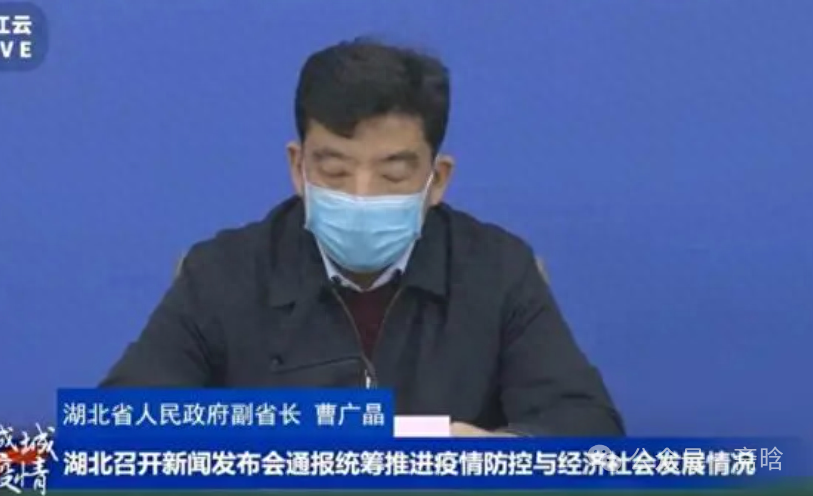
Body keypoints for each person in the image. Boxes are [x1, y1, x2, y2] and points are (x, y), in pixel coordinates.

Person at [101, 38, 624, 437]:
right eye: (334, 171)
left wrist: (499, 455)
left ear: (437, 179)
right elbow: (119, 424)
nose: (361, 194)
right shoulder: (222, 273)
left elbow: (588, 426)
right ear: (298, 167)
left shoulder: (498, 271)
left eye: (392, 175)